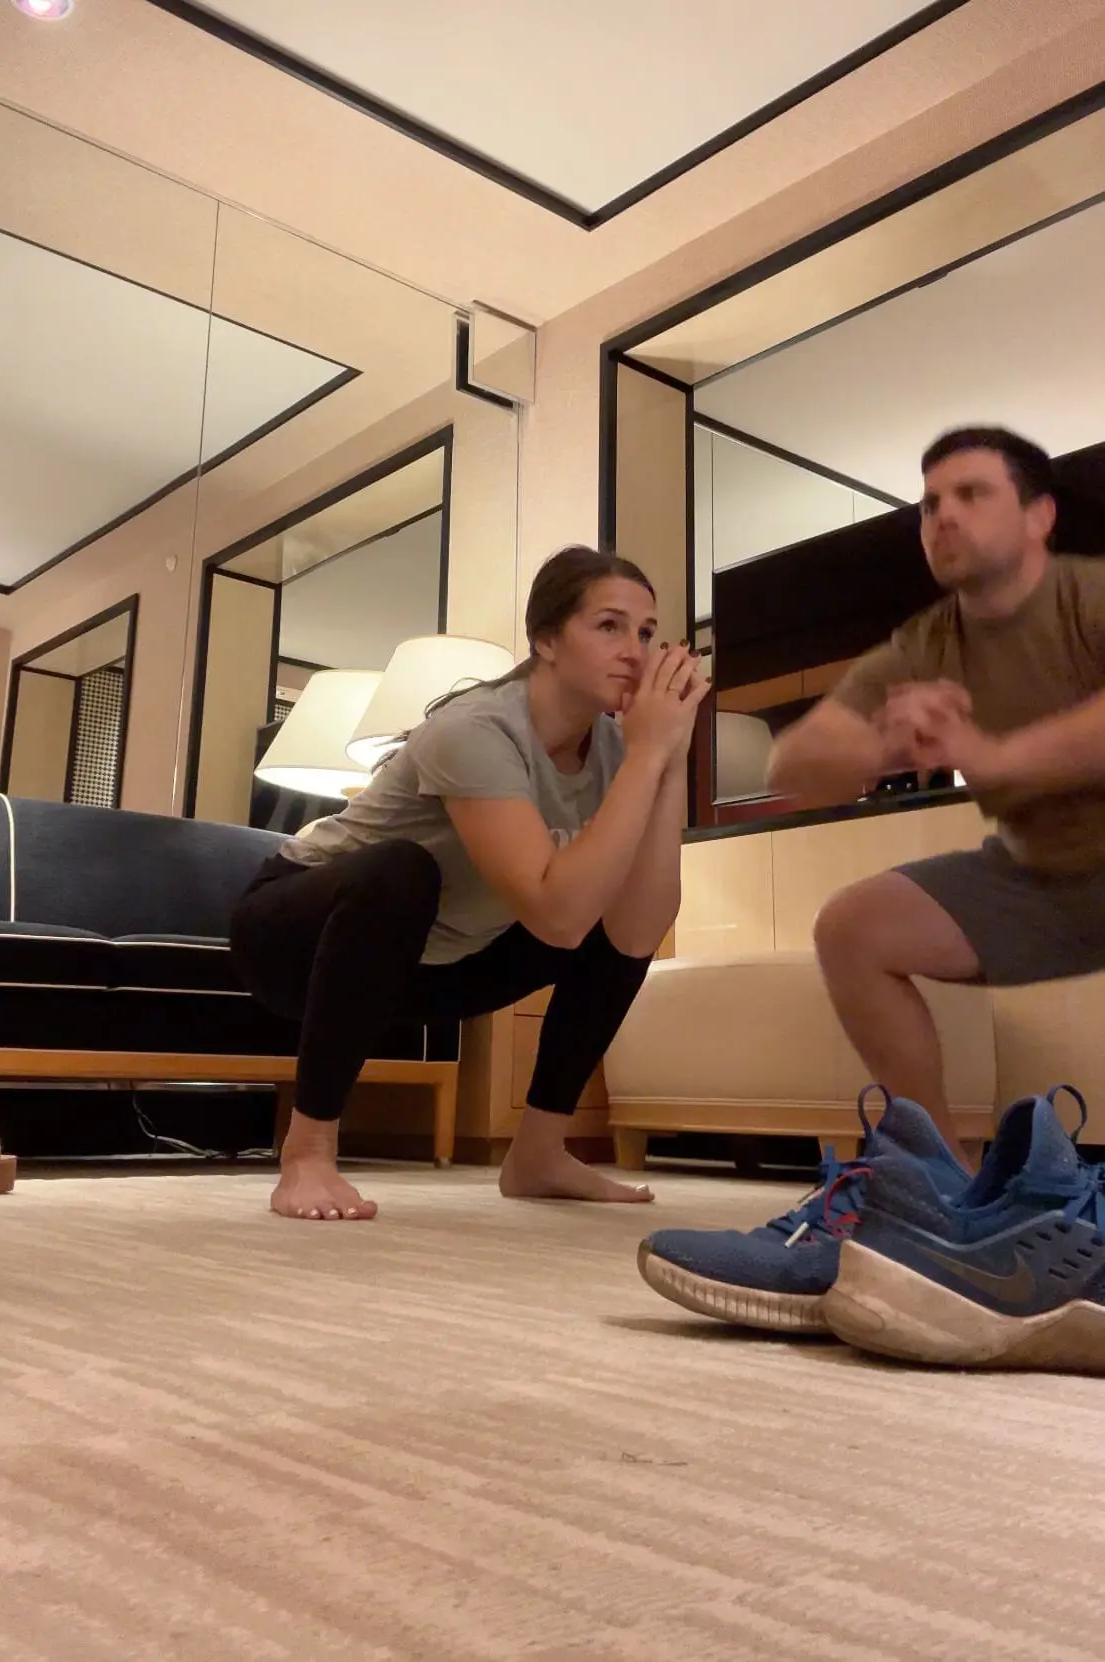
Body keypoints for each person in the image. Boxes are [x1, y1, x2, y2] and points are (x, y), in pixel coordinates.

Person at [230, 545, 709, 1221]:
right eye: (609, 626)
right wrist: (650, 754)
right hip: (295, 939)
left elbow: (636, 931)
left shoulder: (619, 749)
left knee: (605, 905)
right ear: (546, 639)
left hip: (433, 964)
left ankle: (538, 1154)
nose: (635, 649)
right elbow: (555, 914)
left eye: (647, 632)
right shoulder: (475, 730)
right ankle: (307, 1153)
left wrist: (668, 759)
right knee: (402, 870)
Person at [769, 424, 1105, 1163]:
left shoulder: (1090, 594)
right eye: (928, 503)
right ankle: (943, 1185)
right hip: (1037, 880)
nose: (942, 515)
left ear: (1039, 515)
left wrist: (995, 756)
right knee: (853, 927)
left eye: (972, 494)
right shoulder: (923, 643)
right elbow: (790, 767)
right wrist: (881, 741)